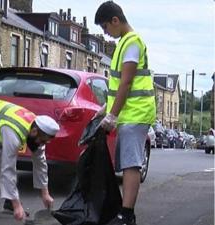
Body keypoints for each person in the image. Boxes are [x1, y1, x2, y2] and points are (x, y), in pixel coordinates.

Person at [94, 2, 156, 225]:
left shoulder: (131, 43)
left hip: (136, 113)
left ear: (115, 21)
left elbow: (127, 82)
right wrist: (106, 110)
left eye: (105, 27)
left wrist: (112, 115)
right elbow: (118, 83)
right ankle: (126, 213)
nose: (105, 33)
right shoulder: (125, 43)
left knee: (131, 164)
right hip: (131, 114)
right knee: (129, 162)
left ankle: (126, 215)